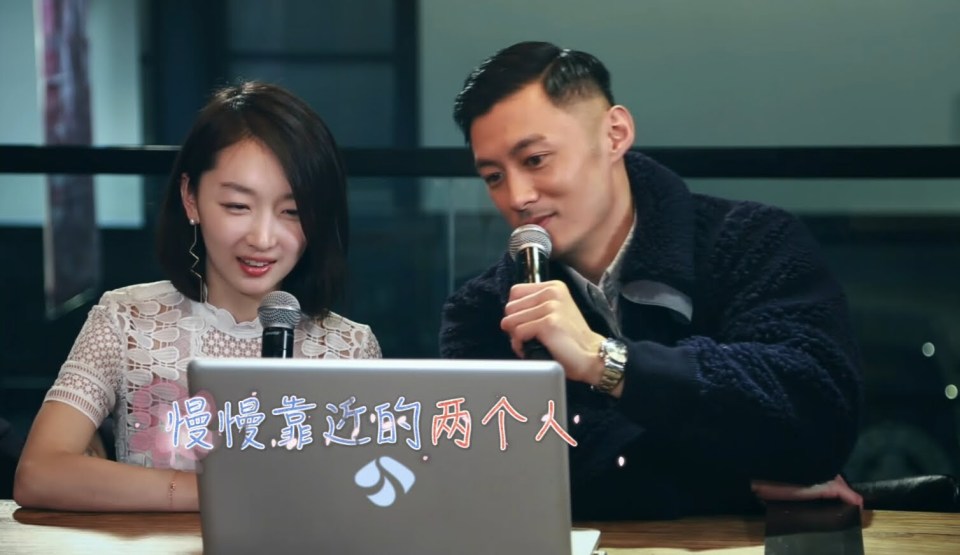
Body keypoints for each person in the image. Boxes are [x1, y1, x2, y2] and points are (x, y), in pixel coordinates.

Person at [439, 41, 864, 519]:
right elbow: (512, 479)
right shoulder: (482, 311)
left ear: (615, 134)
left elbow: (815, 415)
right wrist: (736, 478)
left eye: (535, 159)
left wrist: (605, 361)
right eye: (494, 177)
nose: (517, 196)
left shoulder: (753, 241)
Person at [14, 81, 381, 511]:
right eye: (237, 206)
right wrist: (214, 494)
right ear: (191, 198)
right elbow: (39, 472)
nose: (263, 238)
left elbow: (372, 498)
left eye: (292, 212)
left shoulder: (349, 348)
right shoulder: (127, 320)